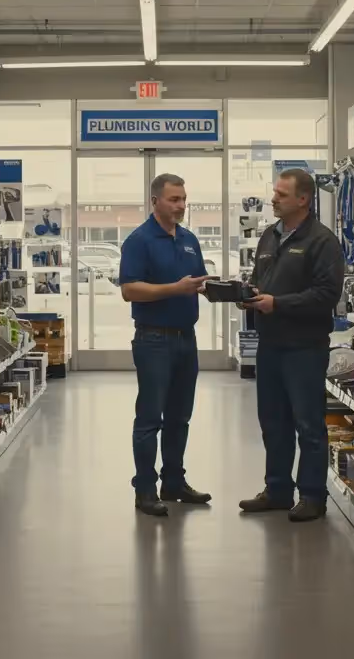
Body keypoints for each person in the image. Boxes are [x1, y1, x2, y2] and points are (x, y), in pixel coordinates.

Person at [238, 168, 345, 522]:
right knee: (273, 423)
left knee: (308, 425)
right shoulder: (269, 236)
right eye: (275, 192)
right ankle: (278, 490)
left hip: (304, 348)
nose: (274, 199)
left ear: (303, 199)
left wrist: (278, 304)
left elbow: (326, 295)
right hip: (269, 345)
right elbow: (260, 281)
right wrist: (249, 296)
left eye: (281, 194)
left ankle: (312, 496)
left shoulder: (322, 242)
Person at [119, 173, 214, 517]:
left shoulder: (189, 239)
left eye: (184, 199)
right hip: (153, 340)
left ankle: (173, 482)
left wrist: (222, 290)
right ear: (155, 201)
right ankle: (145, 489)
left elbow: (197, 282)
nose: (181, 205)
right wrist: (175, 289)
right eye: (174, 199)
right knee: (150, 417)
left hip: (186, 338)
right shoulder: (139, 241)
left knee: (179, 417)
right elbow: (129, 289)